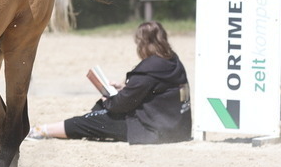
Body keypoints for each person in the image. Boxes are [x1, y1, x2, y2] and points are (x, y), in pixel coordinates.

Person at [27, 21, 192, 144]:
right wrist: (124, 88)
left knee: (88, 121)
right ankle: (49, 129)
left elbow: (120, 105)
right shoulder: (172, 61)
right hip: (177, 127)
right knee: (98, 113)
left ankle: (41, 131)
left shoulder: (148, 70)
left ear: (143, 44)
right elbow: (157, 90)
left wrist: (109, 99)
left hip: (153, 130)